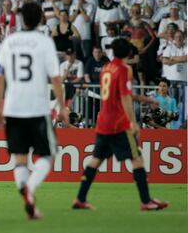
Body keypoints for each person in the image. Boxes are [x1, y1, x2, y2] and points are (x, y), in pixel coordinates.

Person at [72, 38, 168, 211]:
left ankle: (80, 198)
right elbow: (124, 97)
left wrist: (144, 98)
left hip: (103, 122)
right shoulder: (124, 69)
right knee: (136, 158)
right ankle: (146, 201)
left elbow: (118, 93)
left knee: (96, 159)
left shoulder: (106, 68)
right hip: (118, 124)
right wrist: (133, 122)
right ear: (129, 52)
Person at [0, 1, 69, 220]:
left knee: (19, 158)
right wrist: (62, 107)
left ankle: (28, 197)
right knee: (47, 154)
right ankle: (30, 188)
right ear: (40, 19)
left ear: (20, 19)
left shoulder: (9, 42)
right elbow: (55, 78)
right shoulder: (44, 42)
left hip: (13, 107)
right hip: (37, 107)